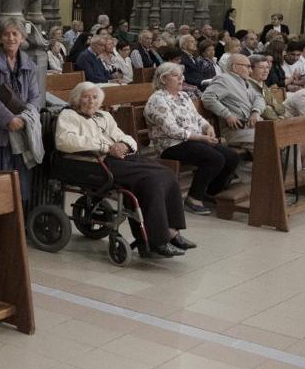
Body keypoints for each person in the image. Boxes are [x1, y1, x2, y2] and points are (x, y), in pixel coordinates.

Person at [56, 82, 194, 257]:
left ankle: (171, 231)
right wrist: (107, 146)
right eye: (86, 97)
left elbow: (124, 136)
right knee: (150, 179)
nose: (91, 101)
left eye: (95, 97)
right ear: (77, 99)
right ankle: (157, 239)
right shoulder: (69, 115)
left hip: (115, 159)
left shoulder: (104, 115)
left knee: (165, 173)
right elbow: (65, 141)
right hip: (90, 162)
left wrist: (125, 145)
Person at [145, 63, 240, 215]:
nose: (181, 79)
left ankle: (210, 192)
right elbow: (172, 130)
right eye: (176, 76)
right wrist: (201, 138)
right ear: (163, 79)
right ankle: (193, 198)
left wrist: (207, 127)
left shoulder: (183, 96)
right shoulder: (157, 100)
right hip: (171, 145)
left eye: (181, 75)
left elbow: (197, 118)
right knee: (214, 158)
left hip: (193, 140)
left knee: (231, 156)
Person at [0, 17, 42, 206]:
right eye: (6, 34)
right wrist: (8, 119)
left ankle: (13, 228)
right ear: (1, 38)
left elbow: (35, 98)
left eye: (15, 34)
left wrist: (23, 118)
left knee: (17, 185)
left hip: (19, 133)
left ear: (22, 38)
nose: (10, 38)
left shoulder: (29, 65)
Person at [201, 54, 265, 148]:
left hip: (251, 128)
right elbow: (207, 97)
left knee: (278, 136)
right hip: (236, 131)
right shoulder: (224, 79)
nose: (250, 71)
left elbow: (259, 97)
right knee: (267, 140)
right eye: (248, 66)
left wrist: (256, 112)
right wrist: (227, 115)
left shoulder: (244, 81)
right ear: (235, 67)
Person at [251, 54, 286, 120]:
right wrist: (278, 117)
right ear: (251, 69)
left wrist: (272, 107)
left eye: (267, 67)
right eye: (261, 67)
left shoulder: (264, 86)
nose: (266, 71)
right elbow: (265, 112)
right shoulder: (248, 86)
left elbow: (282, 109)